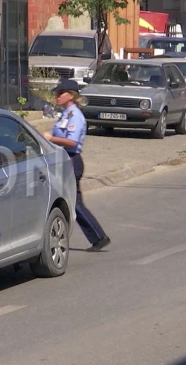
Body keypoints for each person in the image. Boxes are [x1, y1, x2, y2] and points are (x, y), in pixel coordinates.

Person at [42, 79, 112, 252]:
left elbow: (72, 142)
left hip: (71, 160)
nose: (57, 96)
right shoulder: (65, 113)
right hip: (63, 160)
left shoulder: (75, 116)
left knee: (73, 202)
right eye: (56, 93)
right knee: (73, 202)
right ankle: (98, 237)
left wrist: (51, 139)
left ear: (71, 95)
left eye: (60, 93)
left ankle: (99, 237)